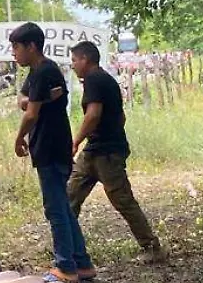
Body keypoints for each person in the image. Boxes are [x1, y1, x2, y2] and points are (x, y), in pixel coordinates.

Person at [67, 41, 167, 263]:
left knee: (122, 200)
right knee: (70, 197)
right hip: (95, 150)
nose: (72, 65)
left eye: (74, 60)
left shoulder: (94, 79)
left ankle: (151, 246)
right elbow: (121, 117)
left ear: (85, 59)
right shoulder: (104, 79)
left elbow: (93, 114)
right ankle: (67, 248)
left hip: (107, 154)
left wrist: (75, 141)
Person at [11, 22, 92, 283]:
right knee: (63, 207)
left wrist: (19, 137)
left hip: (50, 146)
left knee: (55, 209)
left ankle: (65, 266)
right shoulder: (38, 73)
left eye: (16, 47)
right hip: (53, 145)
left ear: (31, 46)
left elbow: (30, 113)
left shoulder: (44, 71)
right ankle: (82, 263)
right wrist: (40, 98)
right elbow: (23, 100)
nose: (13, 53)